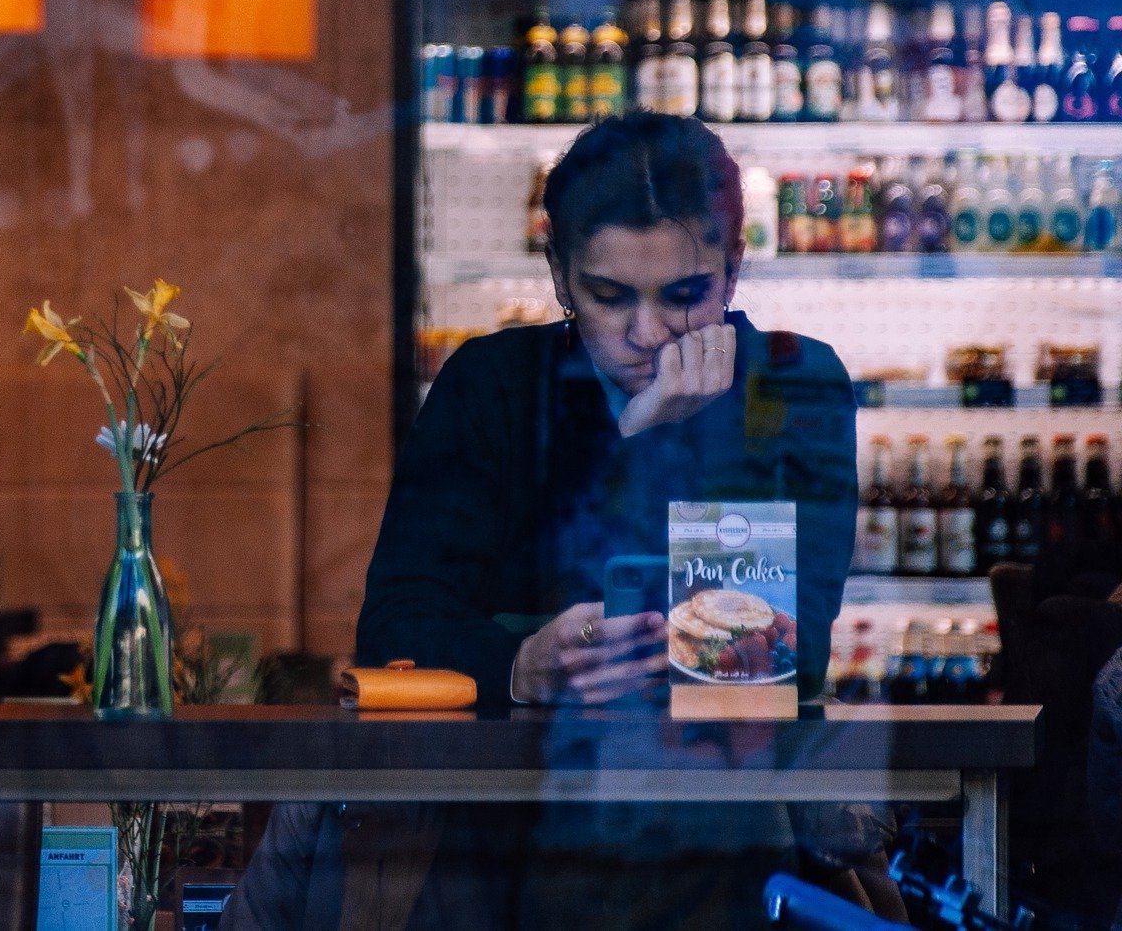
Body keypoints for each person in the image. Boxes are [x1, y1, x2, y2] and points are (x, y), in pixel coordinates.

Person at [223, 112, 861, 930]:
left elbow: (781, 655)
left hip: (724, 847)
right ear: (560, 275)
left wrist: (657, 438)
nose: (647, 333)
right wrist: (522, 661)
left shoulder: (794, 383)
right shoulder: (492, 384)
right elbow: (398, 621)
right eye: (609, 296)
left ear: (733, 272)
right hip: (497, 849)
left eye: (684, 295)